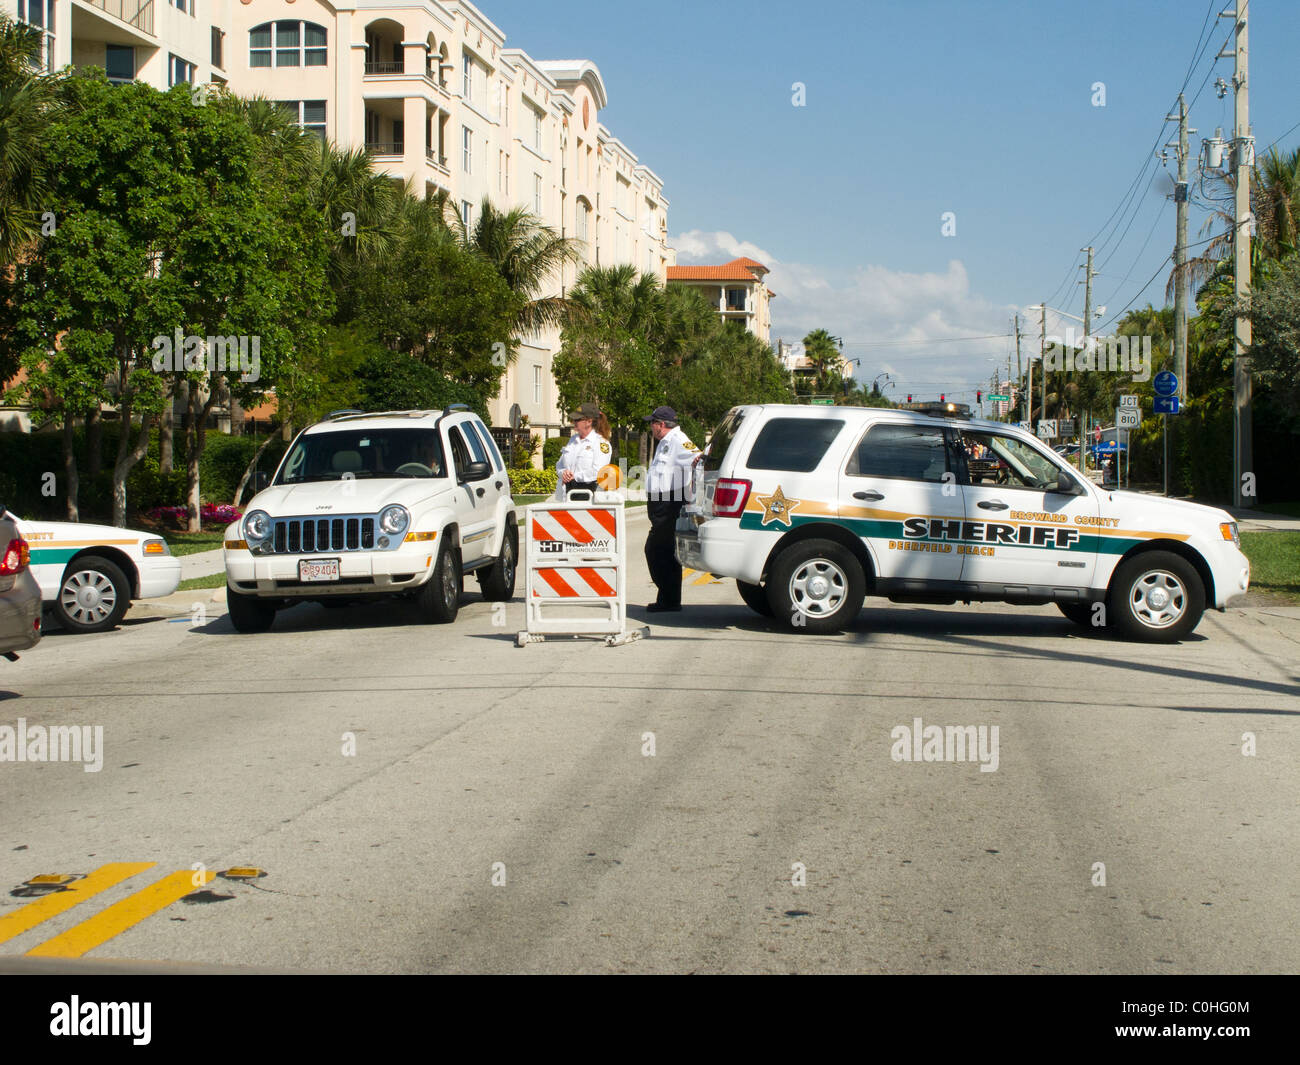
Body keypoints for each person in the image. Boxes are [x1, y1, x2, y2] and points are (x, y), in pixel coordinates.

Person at [643, 405, 700, 612]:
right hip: (661, 504)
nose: (651, 427)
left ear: (661, 425)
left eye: (652, 423)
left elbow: (698, 457)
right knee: (664, 551)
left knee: (657, 550)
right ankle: (668, 599)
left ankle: (668, 599)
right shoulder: (665, 442)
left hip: (669, 504)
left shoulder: (677, 440)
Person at [556, 402, 611, 501]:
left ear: (589, 422)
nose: (573, 422)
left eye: (577, 419)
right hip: (566, 495)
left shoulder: (601, 443)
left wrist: (574, 477)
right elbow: (560, 465)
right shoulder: (572, 441)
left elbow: (598, 471)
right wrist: (563, 473)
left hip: (588, 496)